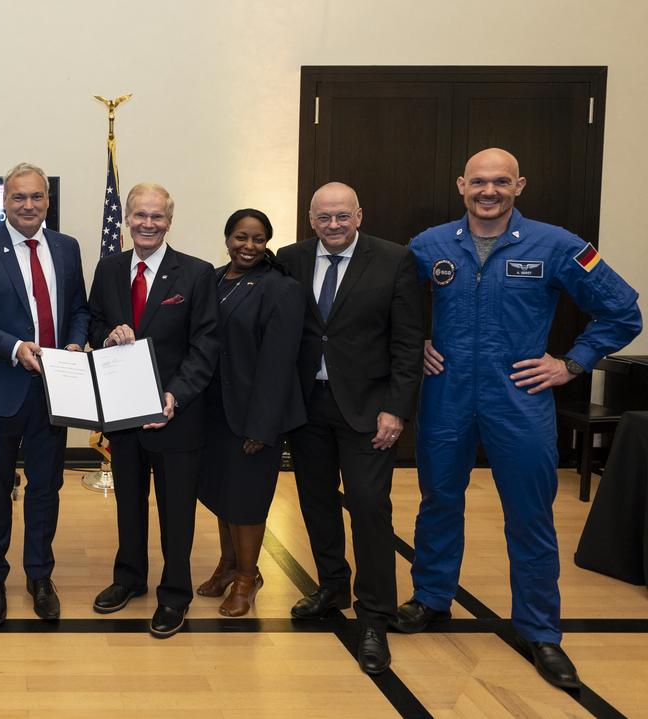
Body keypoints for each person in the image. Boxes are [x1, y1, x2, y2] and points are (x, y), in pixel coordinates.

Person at [398, 148, 642, 689]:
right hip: (446, 396)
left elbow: (624, 310)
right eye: (479, 182)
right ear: (461, 185)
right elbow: (385, 302)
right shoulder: (430, 245)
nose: (489, 191)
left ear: (519, 185)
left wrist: (572, 362)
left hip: (519, 397)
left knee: (530, 514)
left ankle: (539, 630)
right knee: (439, 500)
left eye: (501, 182)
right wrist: (416, 342)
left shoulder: (558, 246)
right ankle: (432, 598)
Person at [274, 182, 422, 674]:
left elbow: (407, 342)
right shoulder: (289, 258)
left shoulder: (395, 260)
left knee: (368, 506)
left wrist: (396, 408)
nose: (333, 225)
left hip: (368, 409)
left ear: (359, 214)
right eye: (324, 217)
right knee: (315, 502)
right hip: (307, 406)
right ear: (310, 219)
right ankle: (332, 585)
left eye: (342, 216)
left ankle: (376, 615)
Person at [0, 163, 89, 624]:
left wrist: (72, 343)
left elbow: (79, 310)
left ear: (48, 201)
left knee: (47, 488)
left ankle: (39, 575)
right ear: (4, 201)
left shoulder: (67, 248)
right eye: (18, 198)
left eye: (37, 197)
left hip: (56, 390)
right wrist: (13, 348)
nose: (28, 205)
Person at [88, 183, 219, 638]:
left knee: (176, 511)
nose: (148, 223)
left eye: (157, 216)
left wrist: (175, 397)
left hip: (175, 415)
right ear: (126, 218)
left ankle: (174, 594)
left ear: (169, 221)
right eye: (140, 215)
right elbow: (95, 320)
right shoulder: (108, 269)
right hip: (124, 415)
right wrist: (108, 335)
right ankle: (128, 578)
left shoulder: (197, 274)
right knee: (128, 502)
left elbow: (206, 346)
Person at [195, 209, 305, 617]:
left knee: (247, 501)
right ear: (227, 238)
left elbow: (279, 364)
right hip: (214, 411)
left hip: (255, 416)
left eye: (258, 239)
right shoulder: (213, 280)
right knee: (223, 495)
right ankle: (228, 565)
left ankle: (247, 578)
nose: (248, 246)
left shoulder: (280, 288)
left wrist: (262, 425)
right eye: (241, 237)